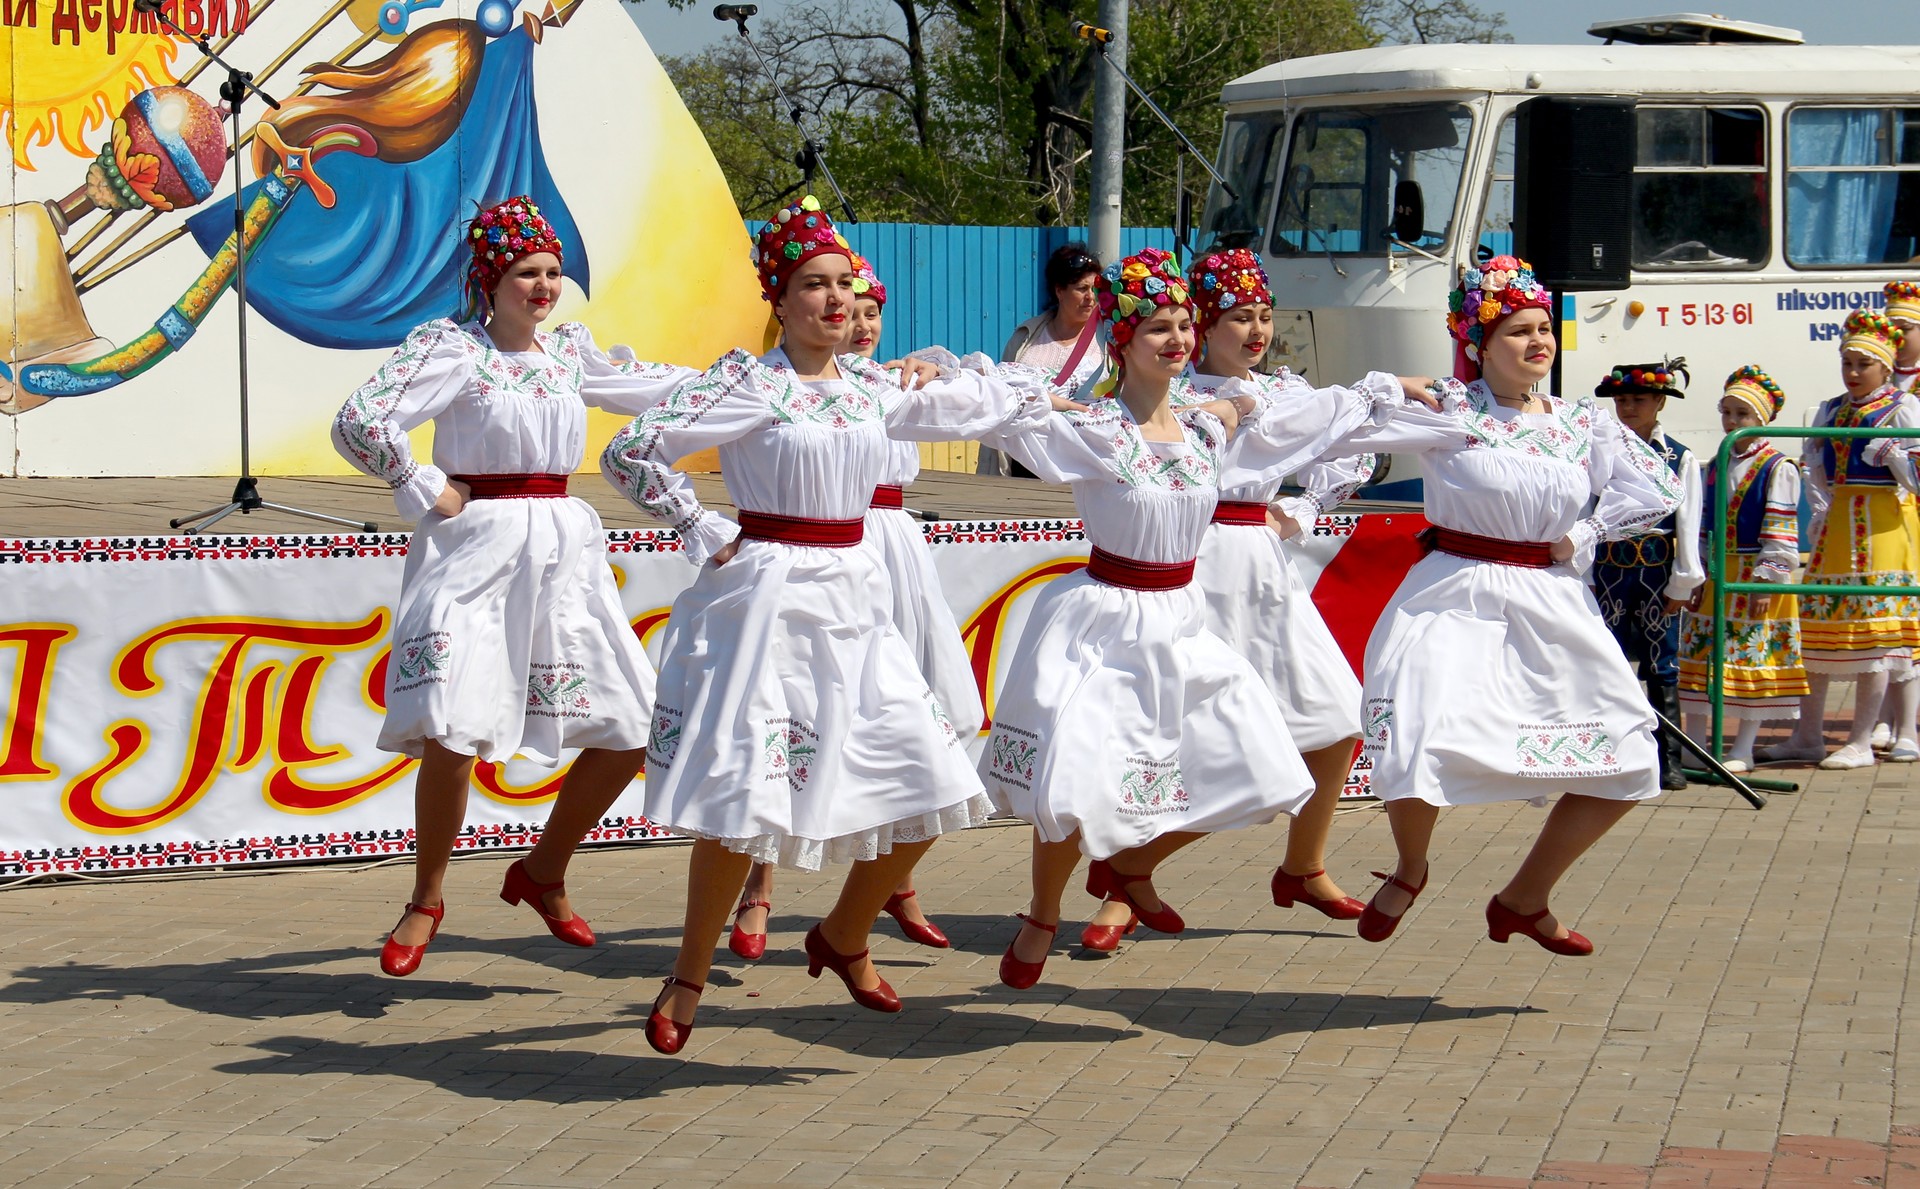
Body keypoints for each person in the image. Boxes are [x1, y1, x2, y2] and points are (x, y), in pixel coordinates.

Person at [600, 197, 1064, 1054]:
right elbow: (631, 449)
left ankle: (844, 932)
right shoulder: (748, 382)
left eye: (846, 284)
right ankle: (689, 971)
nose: (837, 300)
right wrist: (701, 526)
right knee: (744, 805)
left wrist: (947, 375)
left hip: (857, 598)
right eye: (815, 285)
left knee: (934, 787)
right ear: (779, 299)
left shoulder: (874, 389)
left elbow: (1007, 403)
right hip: (769, 601)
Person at [977, 247, 1436, 987]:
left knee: (1265, 747)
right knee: (1083, 775)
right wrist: (953, 379)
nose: (1181, 338)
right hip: (1114, 609)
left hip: (1198, 596)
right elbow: (1008, 409)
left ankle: (1194, 867)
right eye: (1163, 326)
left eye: (1186, 324)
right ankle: (1046, 909)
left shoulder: (1210, 423)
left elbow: (1306, 422)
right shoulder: (1103, 429)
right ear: (1121, 340)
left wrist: (1370, 405)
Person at [331, 196, 693, 978]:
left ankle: (544, 868)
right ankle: (427, 896)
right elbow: (363, 418)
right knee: (452, 725)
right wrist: (427, 483)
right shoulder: (455, 351)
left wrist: (772, 377)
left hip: (563, 552)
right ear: (489, 280)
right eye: (527, 271)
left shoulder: (570, 357)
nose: (543, 286)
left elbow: (677, 389)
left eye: (553, 272)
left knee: (630, 725)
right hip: (477, 551)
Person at [1335, 256, 1681, 957]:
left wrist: (1582, 531)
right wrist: (1378, 393)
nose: (1538, 342)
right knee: (1414, 727)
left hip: (1549, 602)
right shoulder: (1450, 410)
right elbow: (1340, 428)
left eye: (1543, 328)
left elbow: (1653, 490)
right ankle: (1410, 866)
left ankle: (1525, 897)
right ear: (1480, 344)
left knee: (1626, 752)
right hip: (1454, 591)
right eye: (1519, 330)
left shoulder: (1583, 422)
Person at [1054, 245, 1374, 947]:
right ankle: (1121, 885)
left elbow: (1349, 446)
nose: (1256, 330)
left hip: (1261, 564)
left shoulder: (1285, 392)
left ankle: (1303, 863)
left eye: (1263, 315)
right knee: (1177, 735)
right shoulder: (1179, 392)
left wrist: (1307, 509)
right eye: (1237, 317)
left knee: (1335, 715)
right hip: (1193, 565)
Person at [728, 254, 960, 961]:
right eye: (836, 301)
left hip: (887, 553)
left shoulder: (888, 386)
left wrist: (941, 366)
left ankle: (894, 883)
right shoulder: (776, 384)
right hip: (816, 552)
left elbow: (997, 396)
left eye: (866, 308)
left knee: (903, 718)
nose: (855, 319)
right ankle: (757, 883)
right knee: (786, 716)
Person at [1762, 311, 1920, 769]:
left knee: (1876, 639)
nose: (1852, 373)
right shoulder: (1833, 409)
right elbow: (1817, 472)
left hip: (1883, 528)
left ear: (1885, 367)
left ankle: (1862, 739)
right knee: (1817, 634)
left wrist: (1891, 453)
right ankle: (1808, 735)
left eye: (1861, 365)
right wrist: (1820, 516)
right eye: (1846, 363)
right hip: (1837, 529)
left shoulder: (1902, 409)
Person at [1677, 367, 1808, 772]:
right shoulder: (1717, 461)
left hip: (1753, 571)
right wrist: (1697, 571)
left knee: (1751, 657)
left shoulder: (1778, 466)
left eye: (1742, 415)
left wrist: (1767, 579)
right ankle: (1695, 745)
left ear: (1762, 419)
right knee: (1701, 656)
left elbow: (1781, 527)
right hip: (1718, 572)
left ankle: (1742, 749)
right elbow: (1701, 522)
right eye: (1727, 412)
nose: (1732, 422)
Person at [1590, 359, 1704, 791]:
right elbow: (1586, 509)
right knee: (1608, 660)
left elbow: (1688, 520)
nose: (1628, 407)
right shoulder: (1599, 450)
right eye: (1621, 400)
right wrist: (1582, 573)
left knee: (1662, 662)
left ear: (1659, 401)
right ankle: (1609, 755)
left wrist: (1683, 579)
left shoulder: (1679, 456)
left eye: (1638, 399)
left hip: (1657, 568)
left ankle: (1667, 759)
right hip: (1610, 567)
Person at [978, 243, 1105, 477]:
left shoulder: (1108, 341)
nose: (1090, 297)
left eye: (1095, 289)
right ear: (1059, 290)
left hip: (1083, 464)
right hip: (1024, 464)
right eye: (1081, 288)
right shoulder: (1025, 338)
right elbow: (999, 398)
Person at [1870, 281, 1920, 756]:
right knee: (1889, 619)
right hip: (1890, 515)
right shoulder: (1879, 389)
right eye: (1893, 327)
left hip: (1911, 509)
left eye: (1905, 326)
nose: (1898, 334)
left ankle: (1905, 724)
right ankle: (1881, 721)